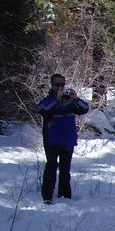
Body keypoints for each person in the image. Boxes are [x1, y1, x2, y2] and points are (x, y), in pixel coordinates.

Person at [36, 74, 89, 204]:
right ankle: (47, 196)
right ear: (52, 85)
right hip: (52, 140)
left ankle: (65, 196)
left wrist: (76, 98)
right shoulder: (48, 100)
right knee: (51, 167)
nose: (60, 87)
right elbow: (41, 110)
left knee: (65, 169)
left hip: (68, 140)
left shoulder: (70, 100)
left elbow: (85, 108)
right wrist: (56, 100)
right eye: (57, 84)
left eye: (62, 84)